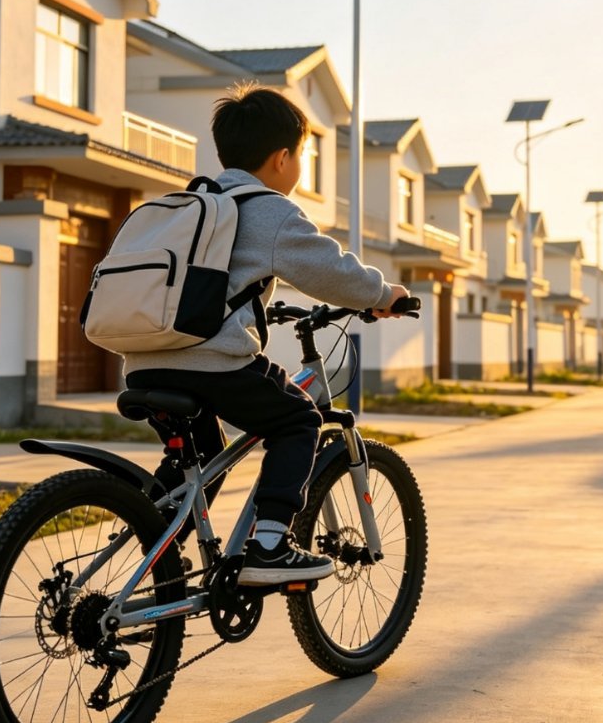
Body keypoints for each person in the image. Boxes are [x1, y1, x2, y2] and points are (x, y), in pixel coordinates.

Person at [123, 83, 408, 586]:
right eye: (302, 155)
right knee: (299, 418)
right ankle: (271, 543)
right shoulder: (268, 208)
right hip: (210, 364)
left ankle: (152, 555)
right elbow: (331, 270)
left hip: (145, 360)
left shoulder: (192, 203)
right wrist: (383, 295)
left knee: (202, 459)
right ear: (282, 158)